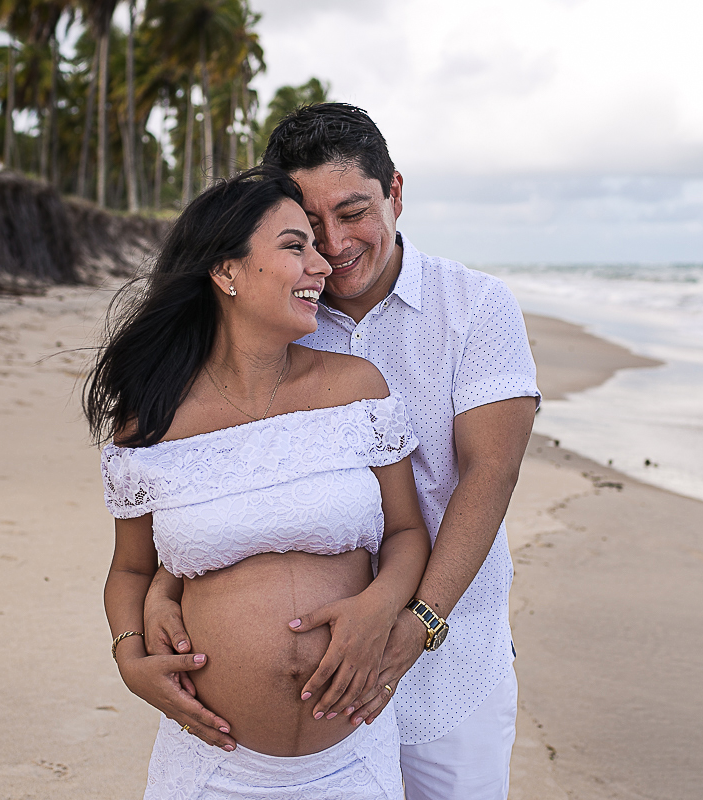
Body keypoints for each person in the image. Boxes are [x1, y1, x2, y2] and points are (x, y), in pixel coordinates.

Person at [147, 104, 540, 799]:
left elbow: (491, 471)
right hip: (319, 683)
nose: (333, 244)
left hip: (452, 642)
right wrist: (163, 582)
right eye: (310, 225)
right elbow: (217, 461)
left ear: (394, 191)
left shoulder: (476, 307)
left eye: (354, 211)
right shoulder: (285, 310)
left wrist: (415, 622)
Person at [86, 165, 432, 799]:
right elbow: (131, 571)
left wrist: (383, 607)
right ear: (227, 272)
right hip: (213, 766)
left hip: (354, 759)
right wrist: (130, 656)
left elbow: (408, 532)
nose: (322, 265)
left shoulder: (356, 388)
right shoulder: (154, 421)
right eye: (295, 246)